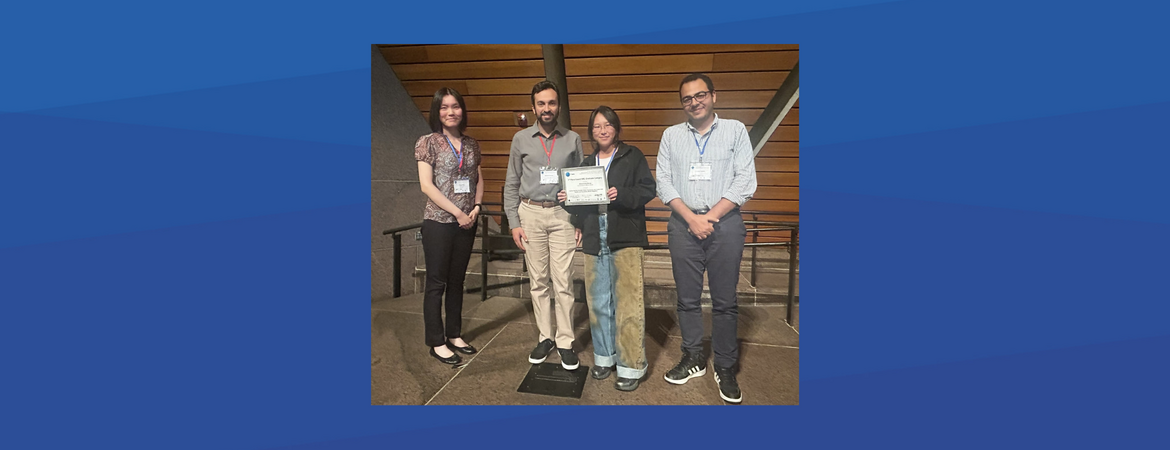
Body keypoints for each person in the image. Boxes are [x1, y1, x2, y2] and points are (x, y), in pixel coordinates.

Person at [656, 73, 757, 403]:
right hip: (682, 225)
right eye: (687, 98)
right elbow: (663, 182)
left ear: (713, 96)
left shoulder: (735, 130)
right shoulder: (671, 136)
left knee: (725, 301)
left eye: (700, 95)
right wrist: (691, 218)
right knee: (687, 298)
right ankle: (693, 357)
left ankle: (725, 365)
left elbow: (745, 181)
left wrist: (709, 217)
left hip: (724, 225)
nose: (694, 102)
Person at [558, 106, 656, 391]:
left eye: (608, 125)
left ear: (616, 128)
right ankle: (604, 357)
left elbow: (648, 189)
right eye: (597, 126)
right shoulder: (587, 164)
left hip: (624, 235)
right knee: (598, 302)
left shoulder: (632, 156)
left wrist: (621, 194)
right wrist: (566, 199)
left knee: (628, 302)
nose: (602, 130)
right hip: (594, 236)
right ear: (591, 132)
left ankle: (631, 366)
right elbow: (580, 204)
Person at [503, 80, 584, 370]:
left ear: (558, 106)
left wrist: (579, 220)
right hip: (531, 214)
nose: (546, 108)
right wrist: (514, 223)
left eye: (551, 103)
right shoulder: (520, 139)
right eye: (541, 103)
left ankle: (565, 341)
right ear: (534, 107)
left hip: (563, 215)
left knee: (563, 281)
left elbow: (579, 182)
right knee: (538, 281)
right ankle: (545, 337)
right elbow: (511, 182)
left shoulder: (572, 139)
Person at [415, 87, 484, 365]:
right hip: (439, 222)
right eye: (444, 107)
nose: (450, 112)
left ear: (462, 110)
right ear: (437, 111)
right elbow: (426, 185)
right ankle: (437, 341)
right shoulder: (428, 142)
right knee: (436, 283)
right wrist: (457, 212)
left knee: (457, 280)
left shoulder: (472, 144)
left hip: (467, 222)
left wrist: (476, 207)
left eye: (455, 106)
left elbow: (478, 178)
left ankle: (454, 334)